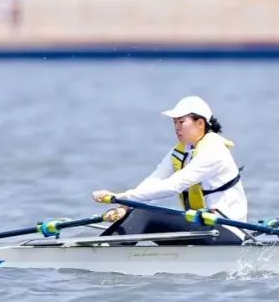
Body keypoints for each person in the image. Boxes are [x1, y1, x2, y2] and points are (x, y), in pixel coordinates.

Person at [92, 96, 247, 245]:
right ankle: (100, 249)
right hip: (203, 227)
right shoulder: (181, 151)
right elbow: (154, 181)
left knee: (145, 214)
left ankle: (102, 253)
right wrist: (126, 206)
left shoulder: (214, 151)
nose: (177, 128)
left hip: (227, 230)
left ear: (200, 123)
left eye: (181, 122)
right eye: (175, 122)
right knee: (137, 210)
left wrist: (121, 197)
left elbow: (174, 185)